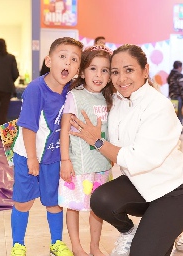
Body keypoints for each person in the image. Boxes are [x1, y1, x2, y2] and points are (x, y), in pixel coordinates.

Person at [69, 44, 183, 256]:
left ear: (145, 71)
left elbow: (137, 159)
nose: (121, 79)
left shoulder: (158, 106)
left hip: (172, 193)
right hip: (140, 187)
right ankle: (130, 232)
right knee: (101, 199)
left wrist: (97, 142)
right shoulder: (117, 101)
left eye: (129, 70)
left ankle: (176, 223)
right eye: (116, 72)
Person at [10, 37, 83, 256]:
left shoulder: (72, 92)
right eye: (62, 57)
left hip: (52, 158)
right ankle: (18, 244)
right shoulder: (35, 89)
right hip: (27, 155)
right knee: (24, 202)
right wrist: (32, 158)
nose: (67, 63)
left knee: (54, 202)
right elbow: (28, 126)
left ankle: (56, 243)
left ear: (78, 68)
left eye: (74, 59)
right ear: (49, 61)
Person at [59, 45, 114, 256]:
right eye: (93, 69)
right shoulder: (75, 96)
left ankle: (94, 246)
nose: (98, 75)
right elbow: (65, 130)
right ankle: (76, 245)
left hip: (101, 164)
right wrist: (65, 160)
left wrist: (111, 157)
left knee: (97, 207)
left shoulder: (108, 99)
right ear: (82, 72)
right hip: (78, 164)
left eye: (104, 70)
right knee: (73, 205)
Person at [167, 60, 183, 140]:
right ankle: (179, 133)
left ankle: (173, 133)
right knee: (180, 116)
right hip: (179, 98)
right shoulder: (179, 75)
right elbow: (182, 89)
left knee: (174, 116)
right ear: (179, 67)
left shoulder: (170, 75)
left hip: (172, 99)